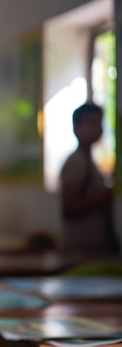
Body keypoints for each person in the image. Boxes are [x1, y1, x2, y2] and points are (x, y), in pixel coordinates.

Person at [59, 103, 118, 254]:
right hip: (78, 250)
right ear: (76, 127)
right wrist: (102, 198)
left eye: (99, 123)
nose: (98, 129)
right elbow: (69, 207)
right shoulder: (76, 163)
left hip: (93, 247)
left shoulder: (89, 162)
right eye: (91, 123)